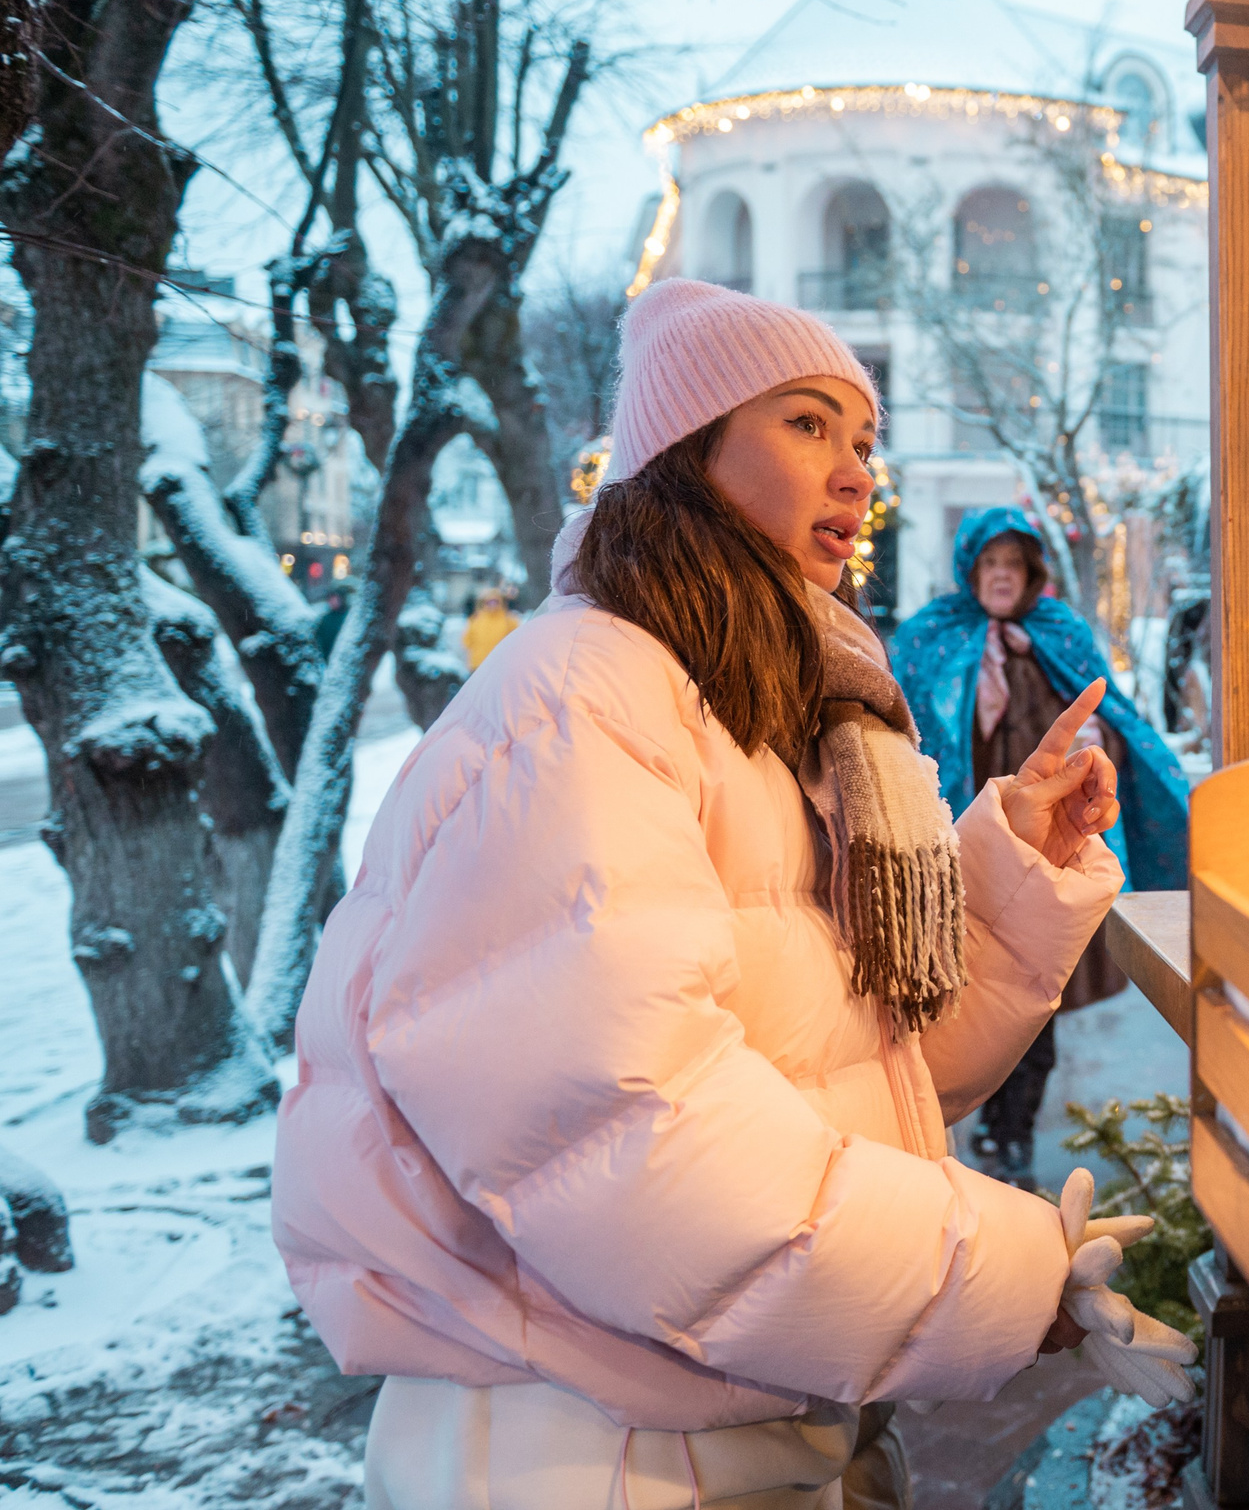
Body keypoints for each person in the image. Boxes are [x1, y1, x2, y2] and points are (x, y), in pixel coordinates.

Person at [271, 279, 1193, 1510]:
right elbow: (638, 1144)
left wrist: (1004, 873)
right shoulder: (588, 699)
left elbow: (858, 1073)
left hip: (732, 1412)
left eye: (862, 437)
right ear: (685, 450)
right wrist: (1007, 1274)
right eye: (806, 423)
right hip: (589, 1447)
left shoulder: (773, 703)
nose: (857, 472)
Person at [891, 510, 1192, 1186]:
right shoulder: (934, 636)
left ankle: (1013, 1139)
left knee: (1029, 997)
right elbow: (907, 736)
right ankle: (959, 1127)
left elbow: (1113, 726)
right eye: (990, 563)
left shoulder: (1060, 635)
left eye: (1014, 564)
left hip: (1046, 852)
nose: (1002, 575)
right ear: (971, 570)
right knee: (957, 993)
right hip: (967, 850)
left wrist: (1096, 754)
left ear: (1031, 574)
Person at [459, 585, 519, 670]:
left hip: (501, 665)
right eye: (489, 602)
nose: (492, 605)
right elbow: (466, 641)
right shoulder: (476, 619)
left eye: (495, 601)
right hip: (478, 664)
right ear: (484, 602)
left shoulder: (509, 620)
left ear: (501, 602)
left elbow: (517, 641)